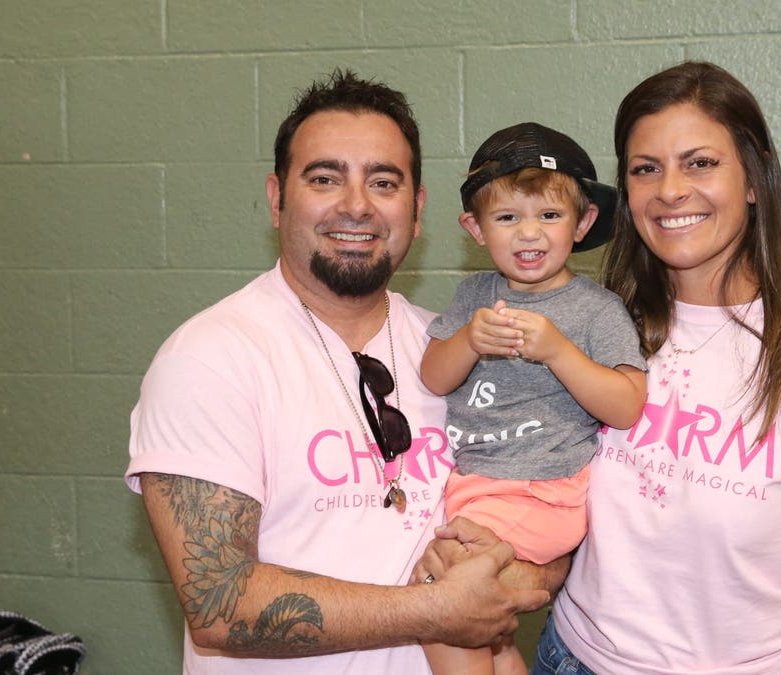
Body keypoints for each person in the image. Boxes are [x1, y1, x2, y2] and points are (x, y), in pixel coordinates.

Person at [124, 68, 559, 674]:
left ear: (417, 206)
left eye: (384, 182)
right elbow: (218, 604)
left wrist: (519, 572)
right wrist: (435, 609)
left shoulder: (458, 348)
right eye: (325, 178)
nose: (357, 205)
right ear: (277, 200)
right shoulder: (209, 359)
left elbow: (552, 496)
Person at [525, 61, 781, 674]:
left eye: (700, 163)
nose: (670, 190)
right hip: (573, 658)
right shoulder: (595, 323)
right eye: (645, 169)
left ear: (755, 179)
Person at [419, 123, 648, 674]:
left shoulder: (597, 310)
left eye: (549, 216)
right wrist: (467, 341)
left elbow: (627, 405)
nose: (530, 234)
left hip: (543, 490)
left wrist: (560, 352)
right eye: (507, 218)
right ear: (475, 228)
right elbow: (433, 376)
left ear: (582, 222)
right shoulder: (474, 295)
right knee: (489, 632)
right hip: (477, 486)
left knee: (446, 602)